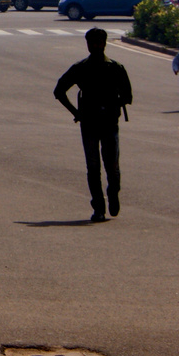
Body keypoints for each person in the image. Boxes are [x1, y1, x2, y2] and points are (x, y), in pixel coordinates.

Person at [54, 27, 133, 222]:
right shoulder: (80, 68)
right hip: (89, 123)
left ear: (105, 44)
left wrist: (113, 104)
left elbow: (128, 96)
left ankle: (113, 193)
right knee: (93, 167)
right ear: (87, 44)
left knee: (112, 167)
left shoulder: (116, 68)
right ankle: (98, 207)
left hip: (109, 123)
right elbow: (59, 91)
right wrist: (76, 113)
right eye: (92, 42)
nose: (96, 46)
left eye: (99, 42)